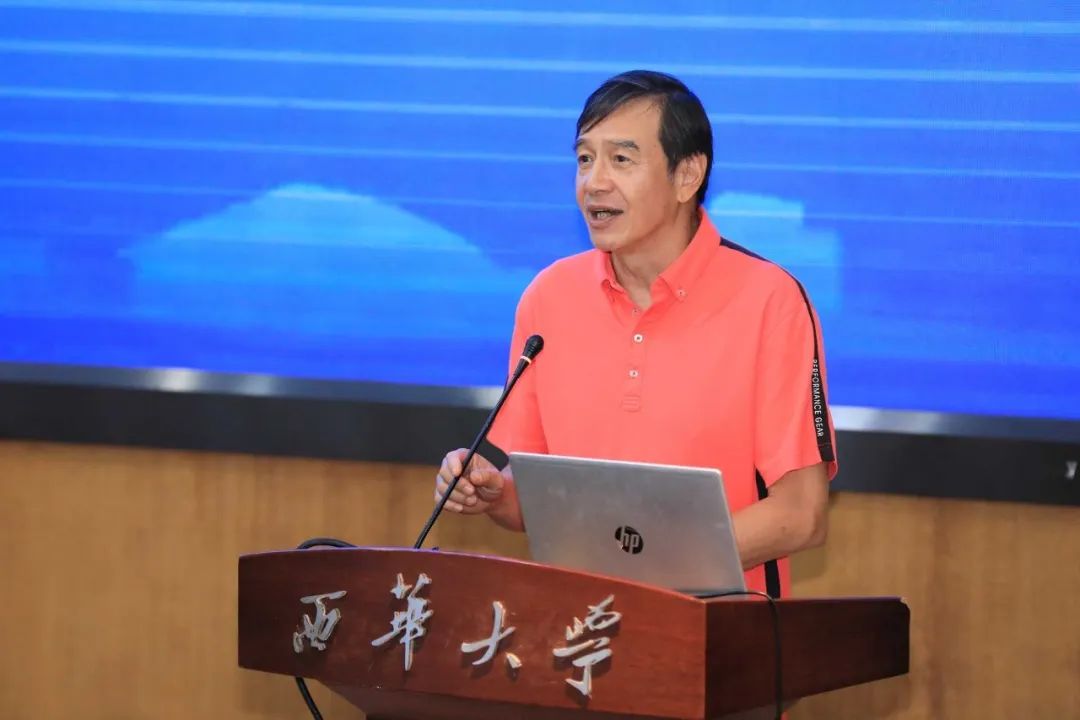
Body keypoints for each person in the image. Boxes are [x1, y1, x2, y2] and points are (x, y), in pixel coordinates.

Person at [434, 69, 837, 598]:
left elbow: (802, 515)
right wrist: (494, 494)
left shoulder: (770, 301)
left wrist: (644, 562)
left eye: (621, 160)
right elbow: (539, 500)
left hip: (722, 628)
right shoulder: (549, 298)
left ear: (687, 175)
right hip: (581, 627)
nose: (594, 182)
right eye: (585, 159)